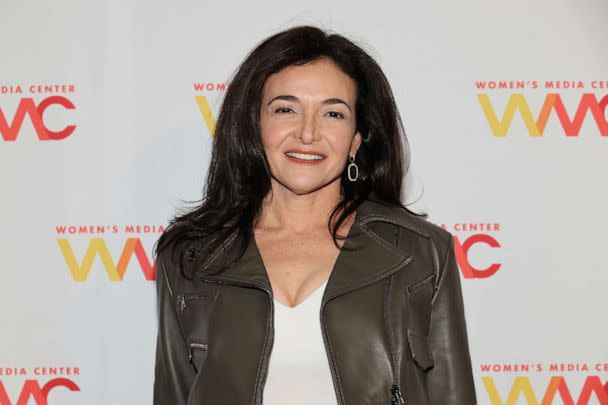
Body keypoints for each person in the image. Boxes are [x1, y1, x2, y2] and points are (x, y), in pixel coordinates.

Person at [152, 25, 477, 405]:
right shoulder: (188, 256)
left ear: (356, 139)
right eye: (286, 109)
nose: (308, 133)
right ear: (254, 126)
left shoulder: (422, 252)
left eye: (333, 114)